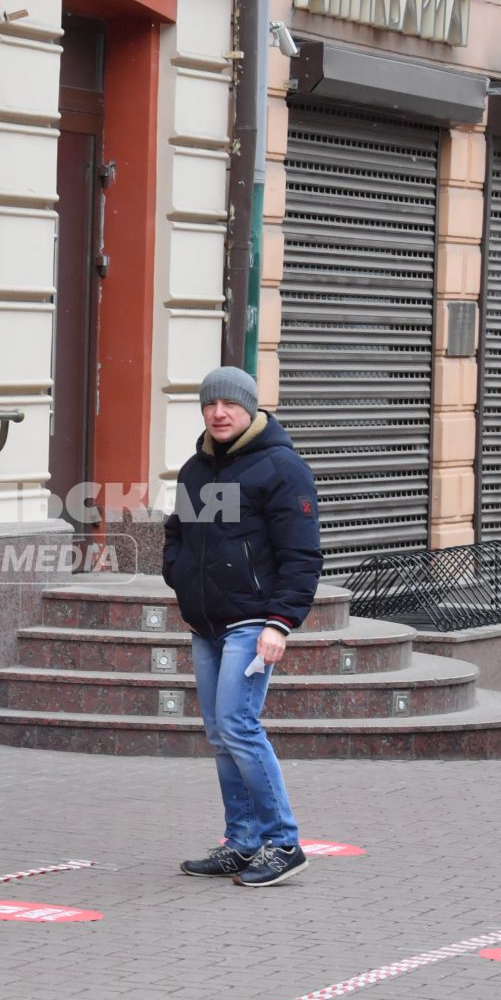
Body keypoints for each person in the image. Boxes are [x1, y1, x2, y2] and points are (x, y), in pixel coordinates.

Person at [162, 365, 322, 888]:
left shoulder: (281, 467)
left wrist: (280, 623)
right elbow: (177, 535)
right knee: (219, 732)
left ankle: (283, 842)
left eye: (229, 404)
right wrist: (181, 579)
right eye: (210, 404)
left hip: (253, 621)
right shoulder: (194, 470)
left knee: (237, 724)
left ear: (250, 409)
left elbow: (302, 555)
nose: (219, 412)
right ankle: (242, 841)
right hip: (205, 622)